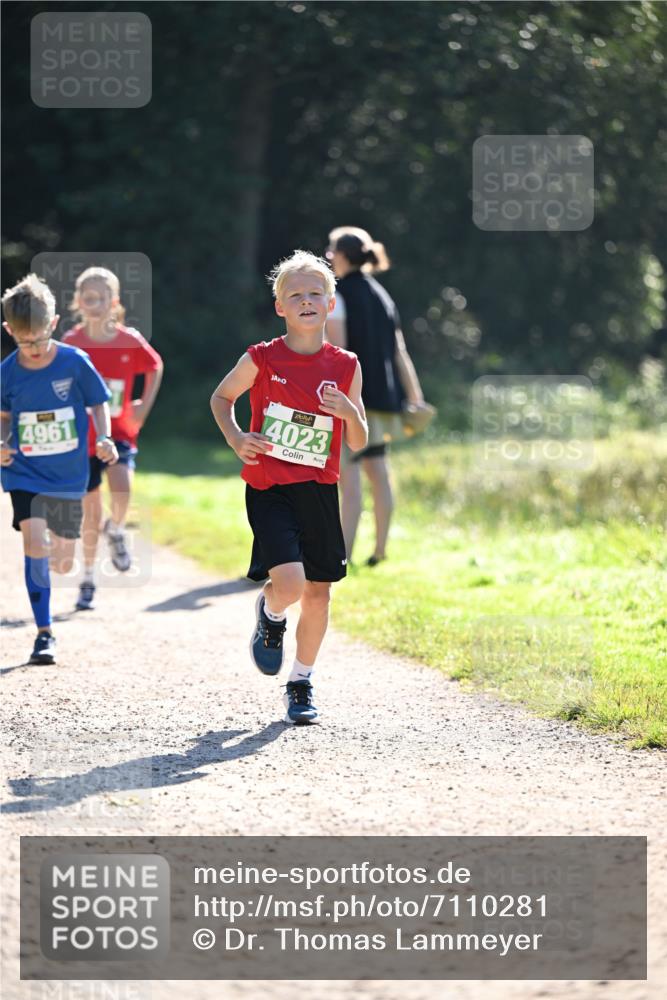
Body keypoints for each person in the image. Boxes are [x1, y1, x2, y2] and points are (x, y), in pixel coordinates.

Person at [210, 250, 368, 725]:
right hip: (270, 486)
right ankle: (272, 612)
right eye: (294, 295)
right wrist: (237, 437)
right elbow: (221, 397)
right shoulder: (261, 358)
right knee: (293, 586)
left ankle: (300, 682)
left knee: (319, 593)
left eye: (315, 293)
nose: (306, 301)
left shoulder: (345, 365)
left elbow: (358, 440)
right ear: (279, 306)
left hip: (320, 490)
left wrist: (349, 413)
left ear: (330, 303)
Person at [0, 274, 117, 664]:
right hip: (24, 470)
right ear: (9, 331)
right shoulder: (8, 371)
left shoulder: (73, 361)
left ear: (52, 325)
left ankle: (57, 563)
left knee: (63, 559)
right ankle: (44, 632)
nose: (31, 348)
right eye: (22, 341)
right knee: (34, 542)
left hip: (68, 474)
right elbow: (2, 415)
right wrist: (2, 442)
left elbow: (99, 401)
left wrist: (104, 437)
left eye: (38, 338)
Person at [325, 226, 430, 565]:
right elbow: (399, 350)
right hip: (385, 397)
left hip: (352, 398)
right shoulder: (383, 296)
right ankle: (380, 550)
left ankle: (343, 556)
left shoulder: (337, 295)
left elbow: (338, 350)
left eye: (331, 251)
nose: (329, 256)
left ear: (341, 256)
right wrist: (415, 395)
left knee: (350, 478)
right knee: (379, 472)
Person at [62, 267, 163, 610]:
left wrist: (142, 409)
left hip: (118, 433)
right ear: (78, 302)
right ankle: (88, 579)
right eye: (88, 298)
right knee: (90, 514)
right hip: (82, 439)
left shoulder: (129, 339)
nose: (94, 304)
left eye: (101, 298)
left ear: (114, 302)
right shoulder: (71, 343)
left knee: (122, 490)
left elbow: (155, 366)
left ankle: (117, 529)